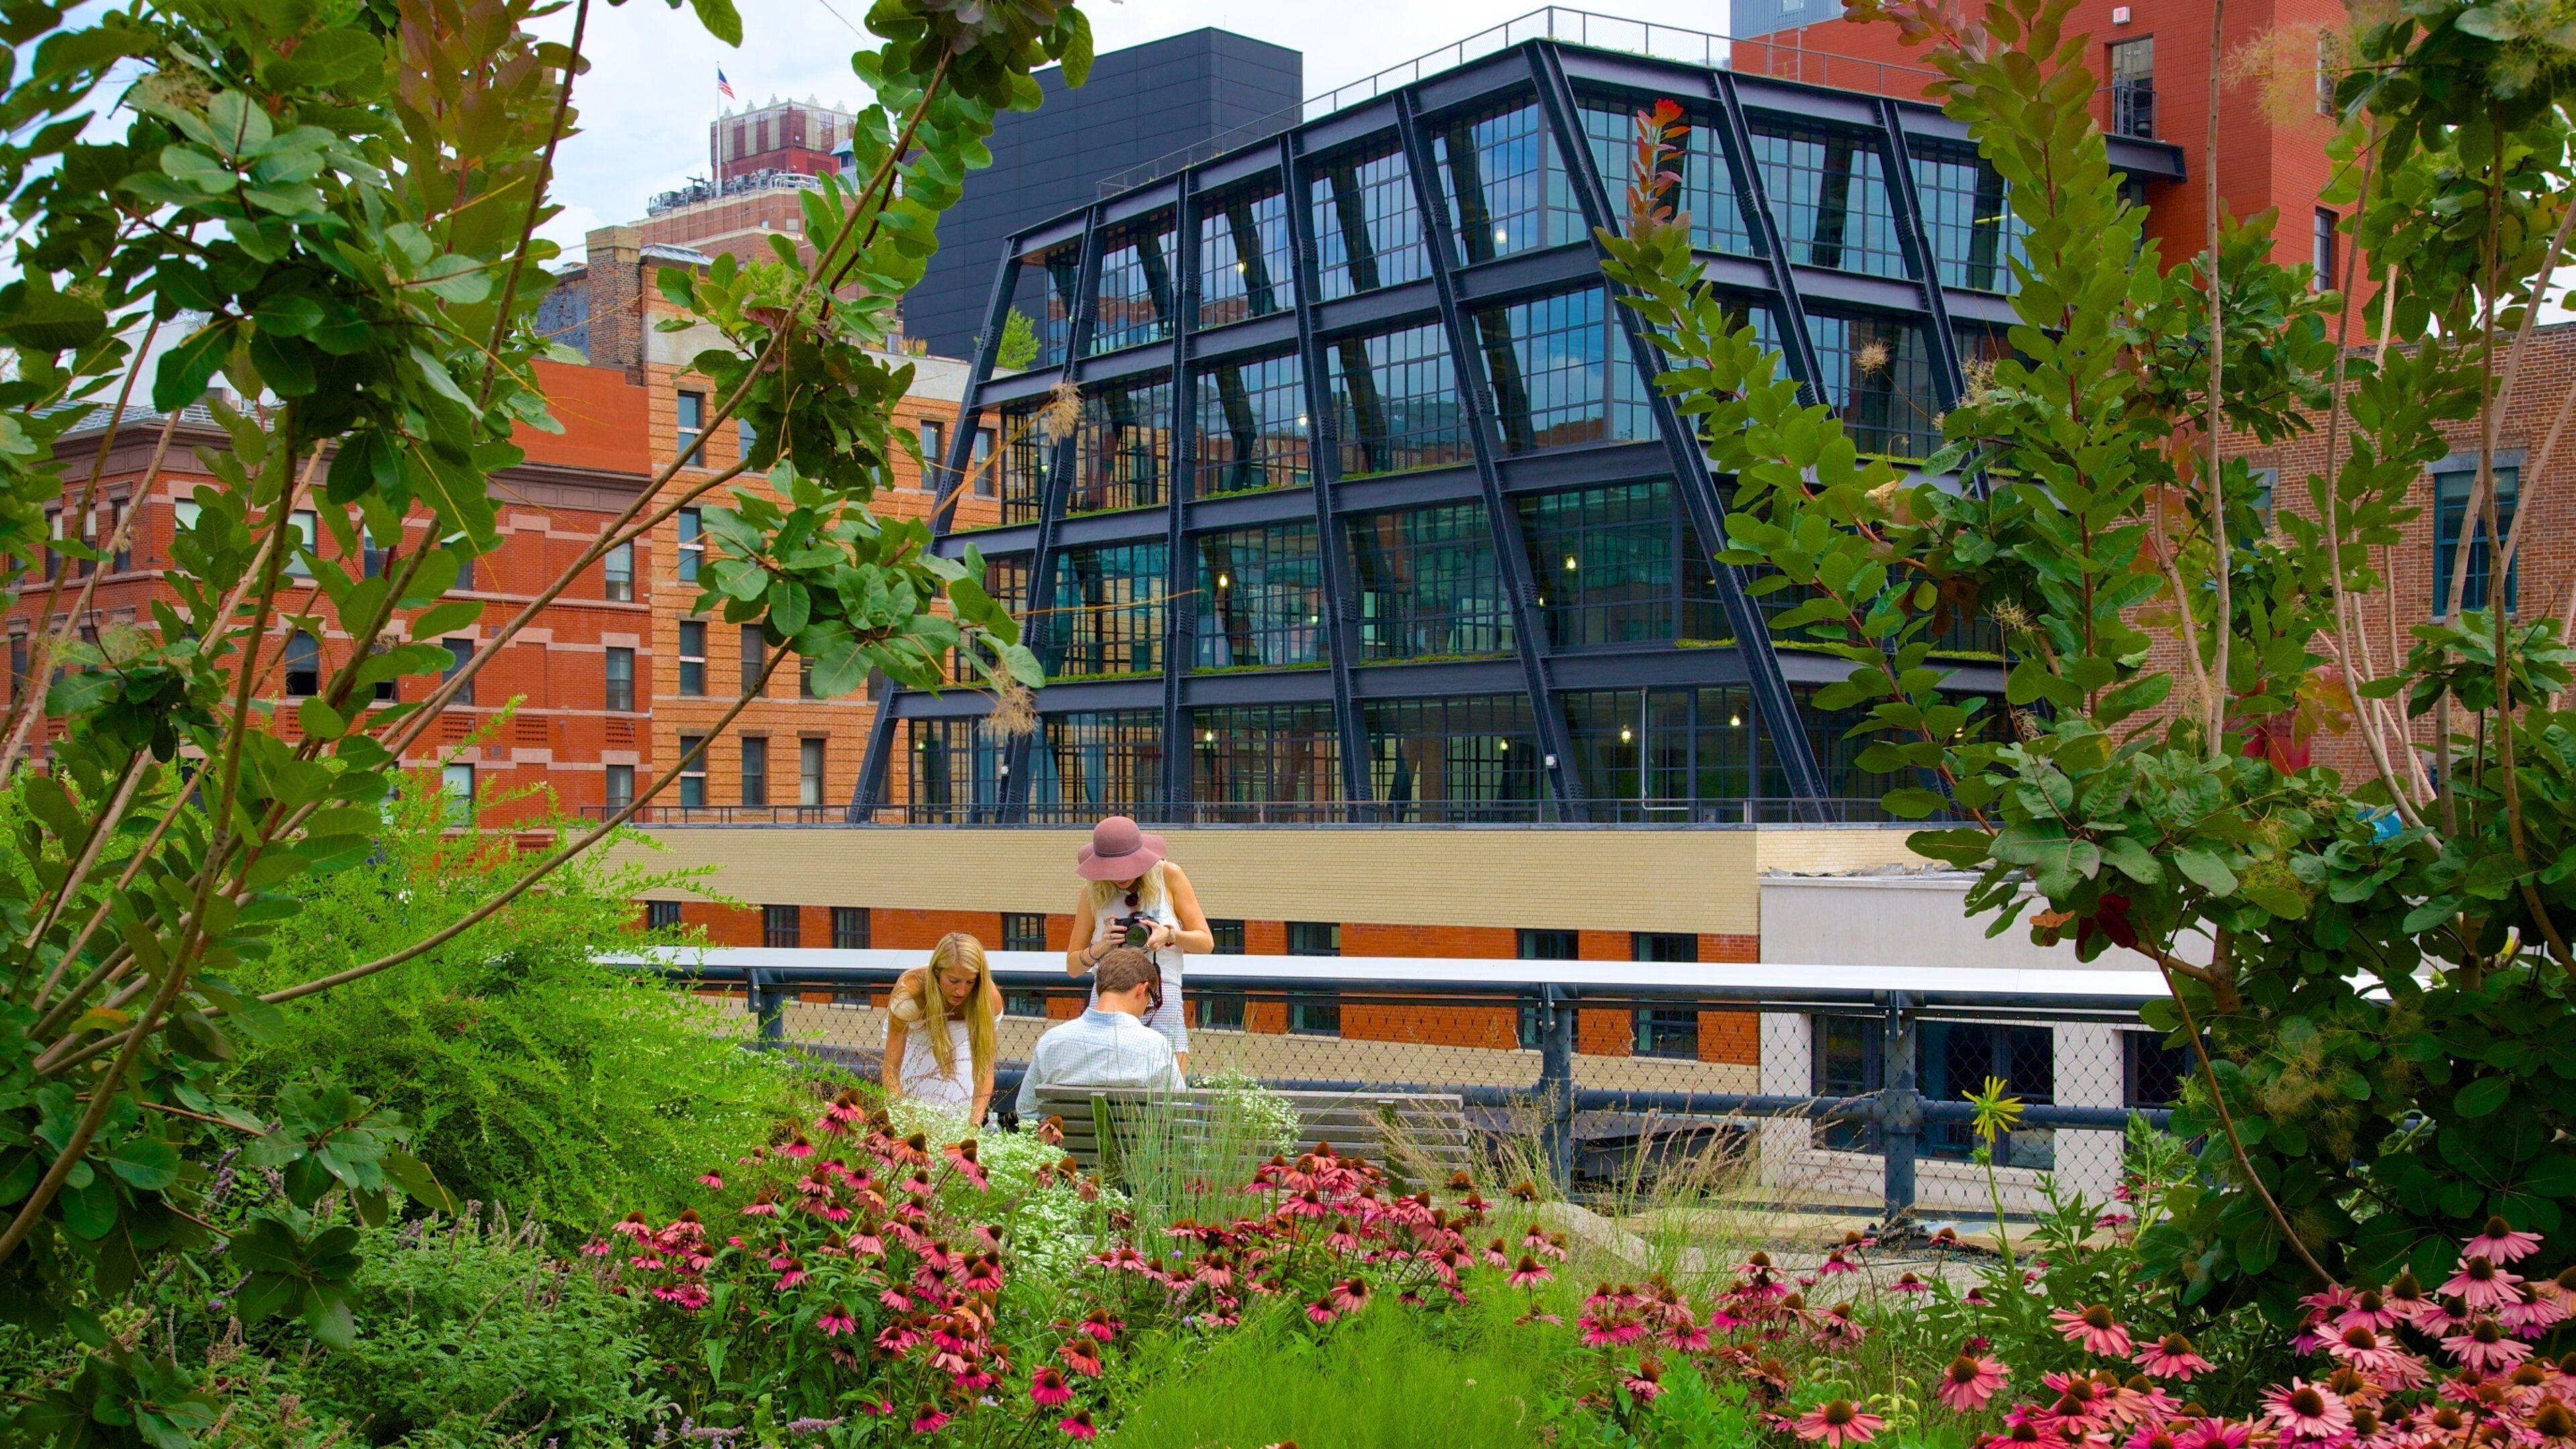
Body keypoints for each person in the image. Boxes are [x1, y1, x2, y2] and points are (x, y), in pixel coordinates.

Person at [1063, 815, 1212, 1073]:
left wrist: (1169, 935)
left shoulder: (1168, 876)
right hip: (1109, 995)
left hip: (1161, 993)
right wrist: (1101, 947)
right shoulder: (1092, 891)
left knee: (1169, 1077)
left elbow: (1206, 942)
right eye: (1111, 868)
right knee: (1106, 1074)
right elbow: (1072, 966)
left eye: (1126, 865)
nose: (1120, 875)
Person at [1015, 948, 1183, 1120]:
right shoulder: (1155, 1046)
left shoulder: (1051, 1040)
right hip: (1130, 1138)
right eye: (1150, 1000)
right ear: (1142, 990)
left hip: (1066, 1138)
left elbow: (1026, 1110)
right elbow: (1180, 1114)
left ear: (1098, 988)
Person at [882, 932, 1000, 1123]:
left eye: (970, 982)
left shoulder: (989, 999)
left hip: (961, 1058)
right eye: (953, 981)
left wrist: (973, 1125)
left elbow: (985, 1070)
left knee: (959, 1120)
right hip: (914, 1053)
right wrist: (905, 1118)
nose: (961, 991)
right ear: (937, 972)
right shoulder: (910, 993)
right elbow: (890, 1071)